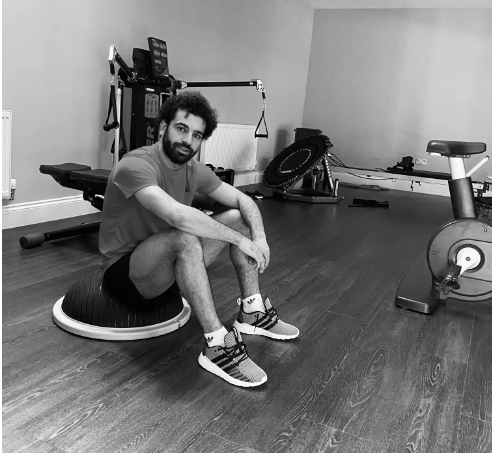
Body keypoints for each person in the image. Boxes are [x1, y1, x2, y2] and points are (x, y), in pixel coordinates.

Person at [99, 91, 299, 387]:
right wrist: (239, 241)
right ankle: (216, 344)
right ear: (163, 127)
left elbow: (243, 200)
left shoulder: (193, 169)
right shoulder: (135, 164)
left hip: (167, 269)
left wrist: (259, 237)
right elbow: (178, 216)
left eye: (196, 135)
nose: (188, 141)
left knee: (237, 217)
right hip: (126, 275)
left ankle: (252, 310)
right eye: (182, 129)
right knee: (185, 236)